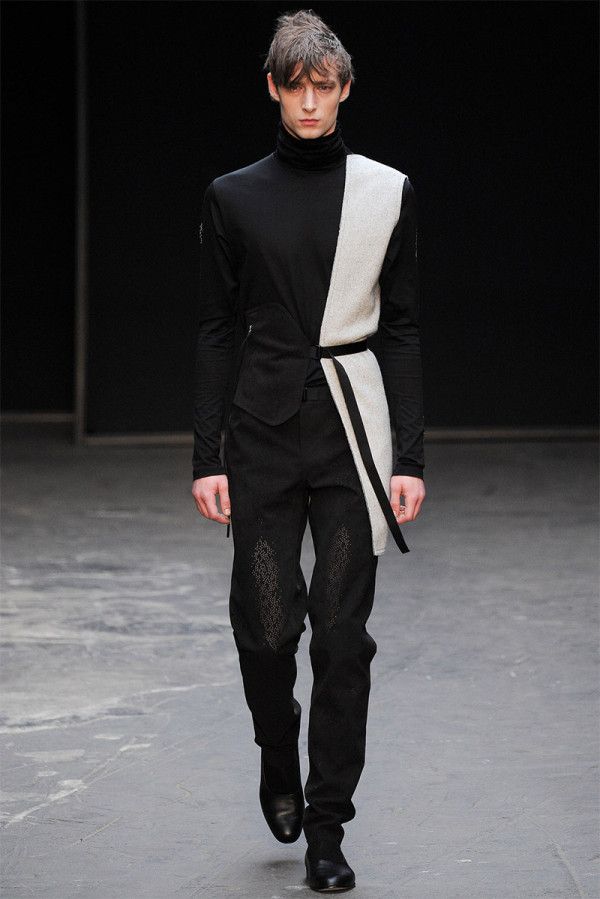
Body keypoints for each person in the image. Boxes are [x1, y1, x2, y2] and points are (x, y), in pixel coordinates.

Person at [192, 9, 425, 893]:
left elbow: (401, 327)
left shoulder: (387, 192)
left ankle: (327, 827)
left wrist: (409, 457)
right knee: (265, 630)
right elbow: (216, 327)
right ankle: (275, 748)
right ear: (273, 88)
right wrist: (206, 455)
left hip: (353, 434)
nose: (311, 103)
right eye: (296, 87)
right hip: (259, 431)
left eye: (324, 87)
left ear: (345, 89)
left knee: (341, 636)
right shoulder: (232, 196)